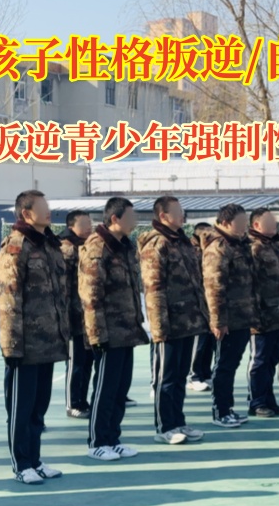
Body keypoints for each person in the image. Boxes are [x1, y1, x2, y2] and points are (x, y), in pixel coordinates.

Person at [0, 190, 68, 484]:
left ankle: (36, 459)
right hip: (24, 344)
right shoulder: (16, 246)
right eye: (42, 207)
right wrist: (12, 345)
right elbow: (8, 299)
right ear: (26, 213)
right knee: (21, 408)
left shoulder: (50, 244)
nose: (48, 211)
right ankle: (21, 463)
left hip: (48, 341)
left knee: (39, 408)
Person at [79, 197, 149, 461]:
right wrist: (97, 334)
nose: (135, 221)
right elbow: (90, 295)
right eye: (130, 216)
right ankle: (97, 441)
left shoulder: (125, 246)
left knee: (120, 388)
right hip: (107, 331)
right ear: (114, 219)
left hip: (127, 329)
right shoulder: (98, 247)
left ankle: (113, 438)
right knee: (105, 389)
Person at [139, 196, 209, 444]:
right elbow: (153, 288)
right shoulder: (157, 244)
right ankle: (165, 426)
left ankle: (178, 421)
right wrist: (159, 327)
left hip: (187, 321)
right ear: (163, 216)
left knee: (179, 377)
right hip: (168, 324)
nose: (182, 215)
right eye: (177, 211)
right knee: (166, 378)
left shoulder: (182, 241)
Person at [202, 204, 258, 428]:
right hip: (228, 319)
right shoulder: (219, 247)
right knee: (224, 365)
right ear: (225, 223)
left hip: (241, 315)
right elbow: (214, 287)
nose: (244, 226)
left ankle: (228, 408)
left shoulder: (239, 244)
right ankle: (221, 411)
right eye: (240, 222)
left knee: (231, 364)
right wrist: (218, 321)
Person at [247, 208, 279, 417]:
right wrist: (255, 313)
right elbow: (250, 283)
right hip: (262, 315)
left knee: (271, 360)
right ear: (257, 224)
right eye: (269, 220)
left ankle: (268, 400)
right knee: (259, 361)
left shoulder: (275, 246)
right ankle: (256, 402)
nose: (275, 223)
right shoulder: (253, 247)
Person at [59, 209, 94, 419]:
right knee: (76, 362)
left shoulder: (88, 246)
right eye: (84, 223)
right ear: (71, 226)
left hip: (88, 315)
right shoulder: (66, 248)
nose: (89, 227)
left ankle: (83, 400)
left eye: (90, 223)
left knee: (88, 361)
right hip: (73, 315)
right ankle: (72, 403)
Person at [187, 222, 216, 392]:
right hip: (197, 304)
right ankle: (194, 376)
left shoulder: (210, 249)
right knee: (199, 341)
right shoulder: (192, 250)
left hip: (209, 302)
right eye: (207, 234)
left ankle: (205, 373)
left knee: (209, 341)